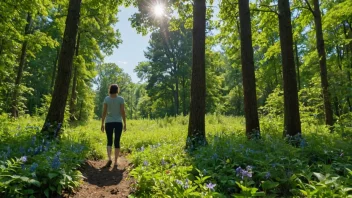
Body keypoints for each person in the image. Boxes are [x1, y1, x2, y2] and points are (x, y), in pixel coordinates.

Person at [101, 84, 127, 167]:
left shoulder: (106, 99)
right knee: (117, 141)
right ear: (117, 90)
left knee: (109, 140)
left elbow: (104, 112)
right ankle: (115, 161)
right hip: (118, 122)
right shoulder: (120, 99)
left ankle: (109, 159)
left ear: (110, 89)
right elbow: (123, 112)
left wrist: (102, 123)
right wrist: (125, 123)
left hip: (108, 122)